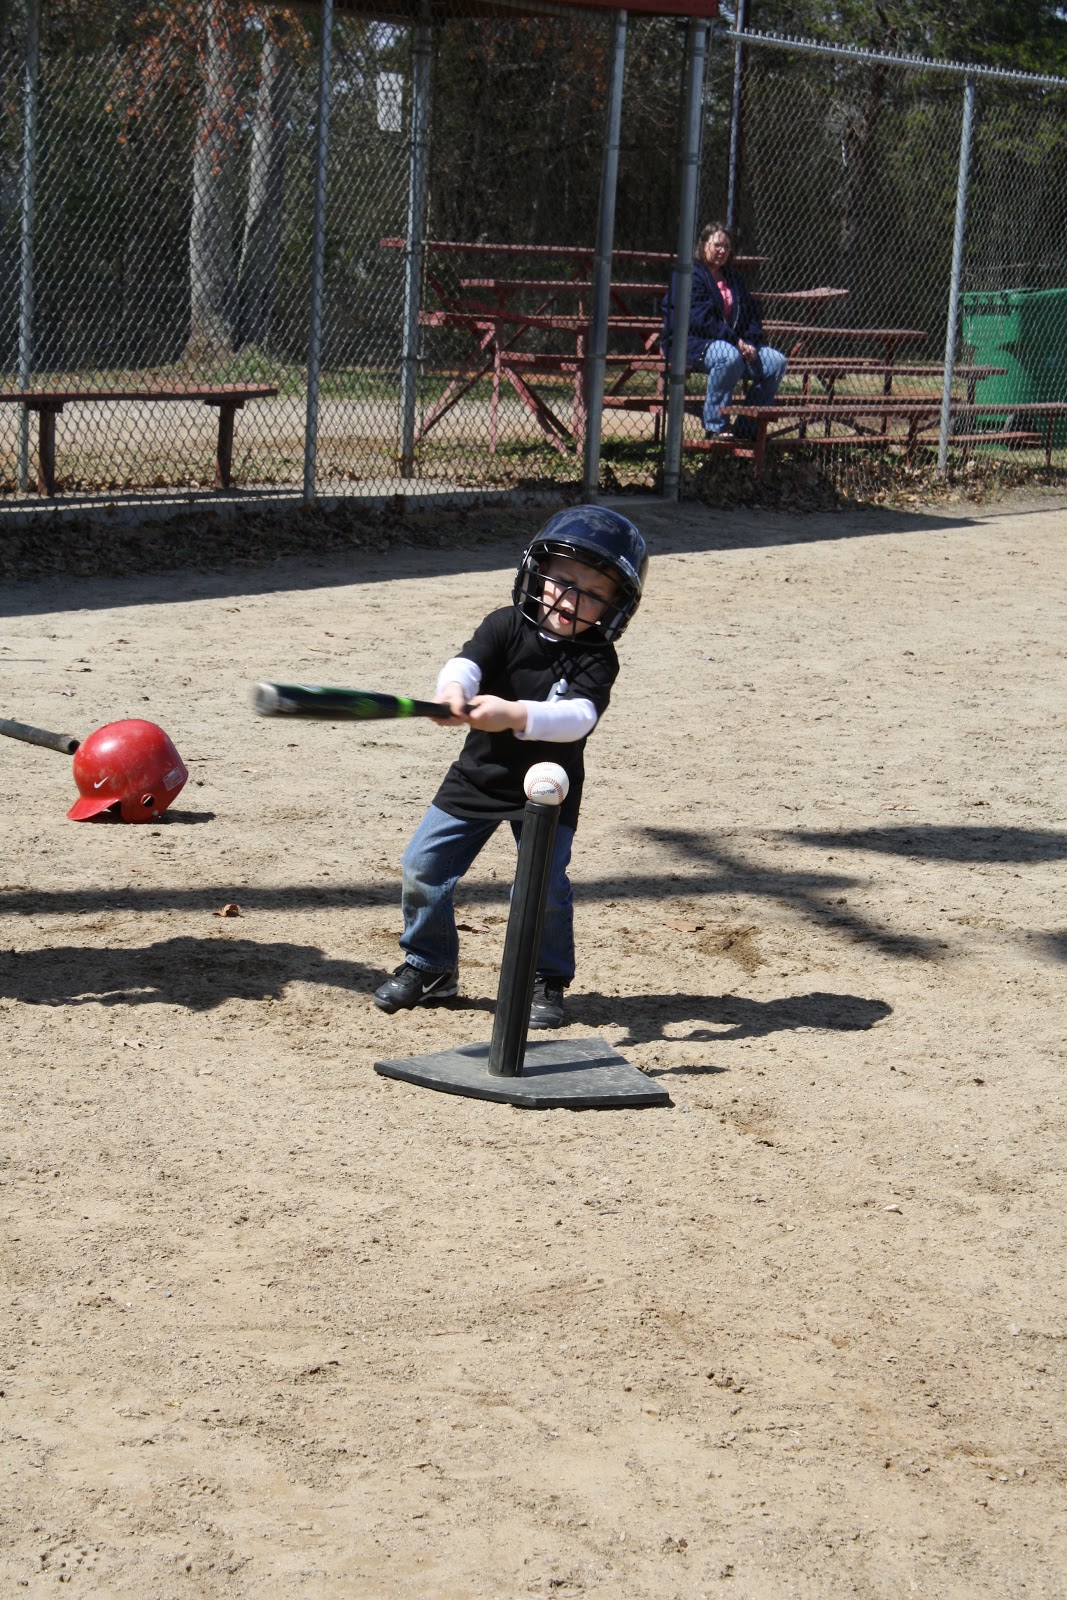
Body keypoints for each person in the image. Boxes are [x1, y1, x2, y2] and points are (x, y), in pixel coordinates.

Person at [373, 504, 648, 1031]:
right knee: (423, 867)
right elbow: (467, 661)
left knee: (543, 886)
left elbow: (577, 717)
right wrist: (454, 692)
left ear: (615, 607)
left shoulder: (597, 657)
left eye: (593, 593)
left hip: (547, 794)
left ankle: (546, 976)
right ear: (536, 572)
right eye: (562, 580)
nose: (571, 599)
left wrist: (512, 715)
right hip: (478, 776)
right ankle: (429, 965)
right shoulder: (504, 625)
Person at [662, 219, 787, 440]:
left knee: (776, 362)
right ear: (702, 244)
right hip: (694, 342)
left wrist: (750, 344)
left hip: (734, 345)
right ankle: (716, 426)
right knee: (728, 357)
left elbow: (751, 317)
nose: (722, 251)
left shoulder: (734, 278)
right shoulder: (690, 275)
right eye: (717, 245)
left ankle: (747, 429)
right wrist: (736, 343)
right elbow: (701, 320)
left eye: (726, 247)